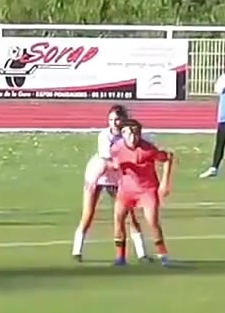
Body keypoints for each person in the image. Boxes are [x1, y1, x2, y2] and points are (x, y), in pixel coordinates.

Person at [74, 103, 150, 262]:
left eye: (117, 119)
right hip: (98, 175)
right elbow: (107, 162)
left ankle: (142, 254)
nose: (114, 123)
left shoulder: (130, 135)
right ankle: (77, 251)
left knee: (130, 217)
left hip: (117, 179)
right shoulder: (104, 136)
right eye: (110, 120)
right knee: (88, 213)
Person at [105, 120, 174, 267]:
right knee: (118, 219)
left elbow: (168, 157)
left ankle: (163, 256)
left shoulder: (148, 149)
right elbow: (109, 163)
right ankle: (120, 257)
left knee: (152, 222)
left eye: (136, 133)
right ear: (123, 134)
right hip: (126, 190)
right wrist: (113, 166)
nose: (133, 137)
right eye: (129, 133)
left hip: (147, 190)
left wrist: (165, 183)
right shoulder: (116, 148)